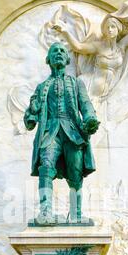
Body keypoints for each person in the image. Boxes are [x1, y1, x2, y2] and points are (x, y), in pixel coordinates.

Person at [24, 42, 99, 225]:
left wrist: (90, 119)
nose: (58, 53)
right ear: (48, 59)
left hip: (72, 132)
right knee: (46, 167)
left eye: (62, 51)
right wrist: (31, 112)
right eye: (54, 51)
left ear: (66, 59)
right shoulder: (42, 87)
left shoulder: (76, 83)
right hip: (50, 132)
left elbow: (86, 104)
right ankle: (45, 213)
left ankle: (76, 214)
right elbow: (30, 120)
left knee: (75, 172)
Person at [52, 1, 128, 99]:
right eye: (107, 27)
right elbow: (79, 47)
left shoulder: (121, 46)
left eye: (113, 27)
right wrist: (64, 32)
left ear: (118, 29)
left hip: (105, 94)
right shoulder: (99, 46)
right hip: (89, 86)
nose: (110, 29)